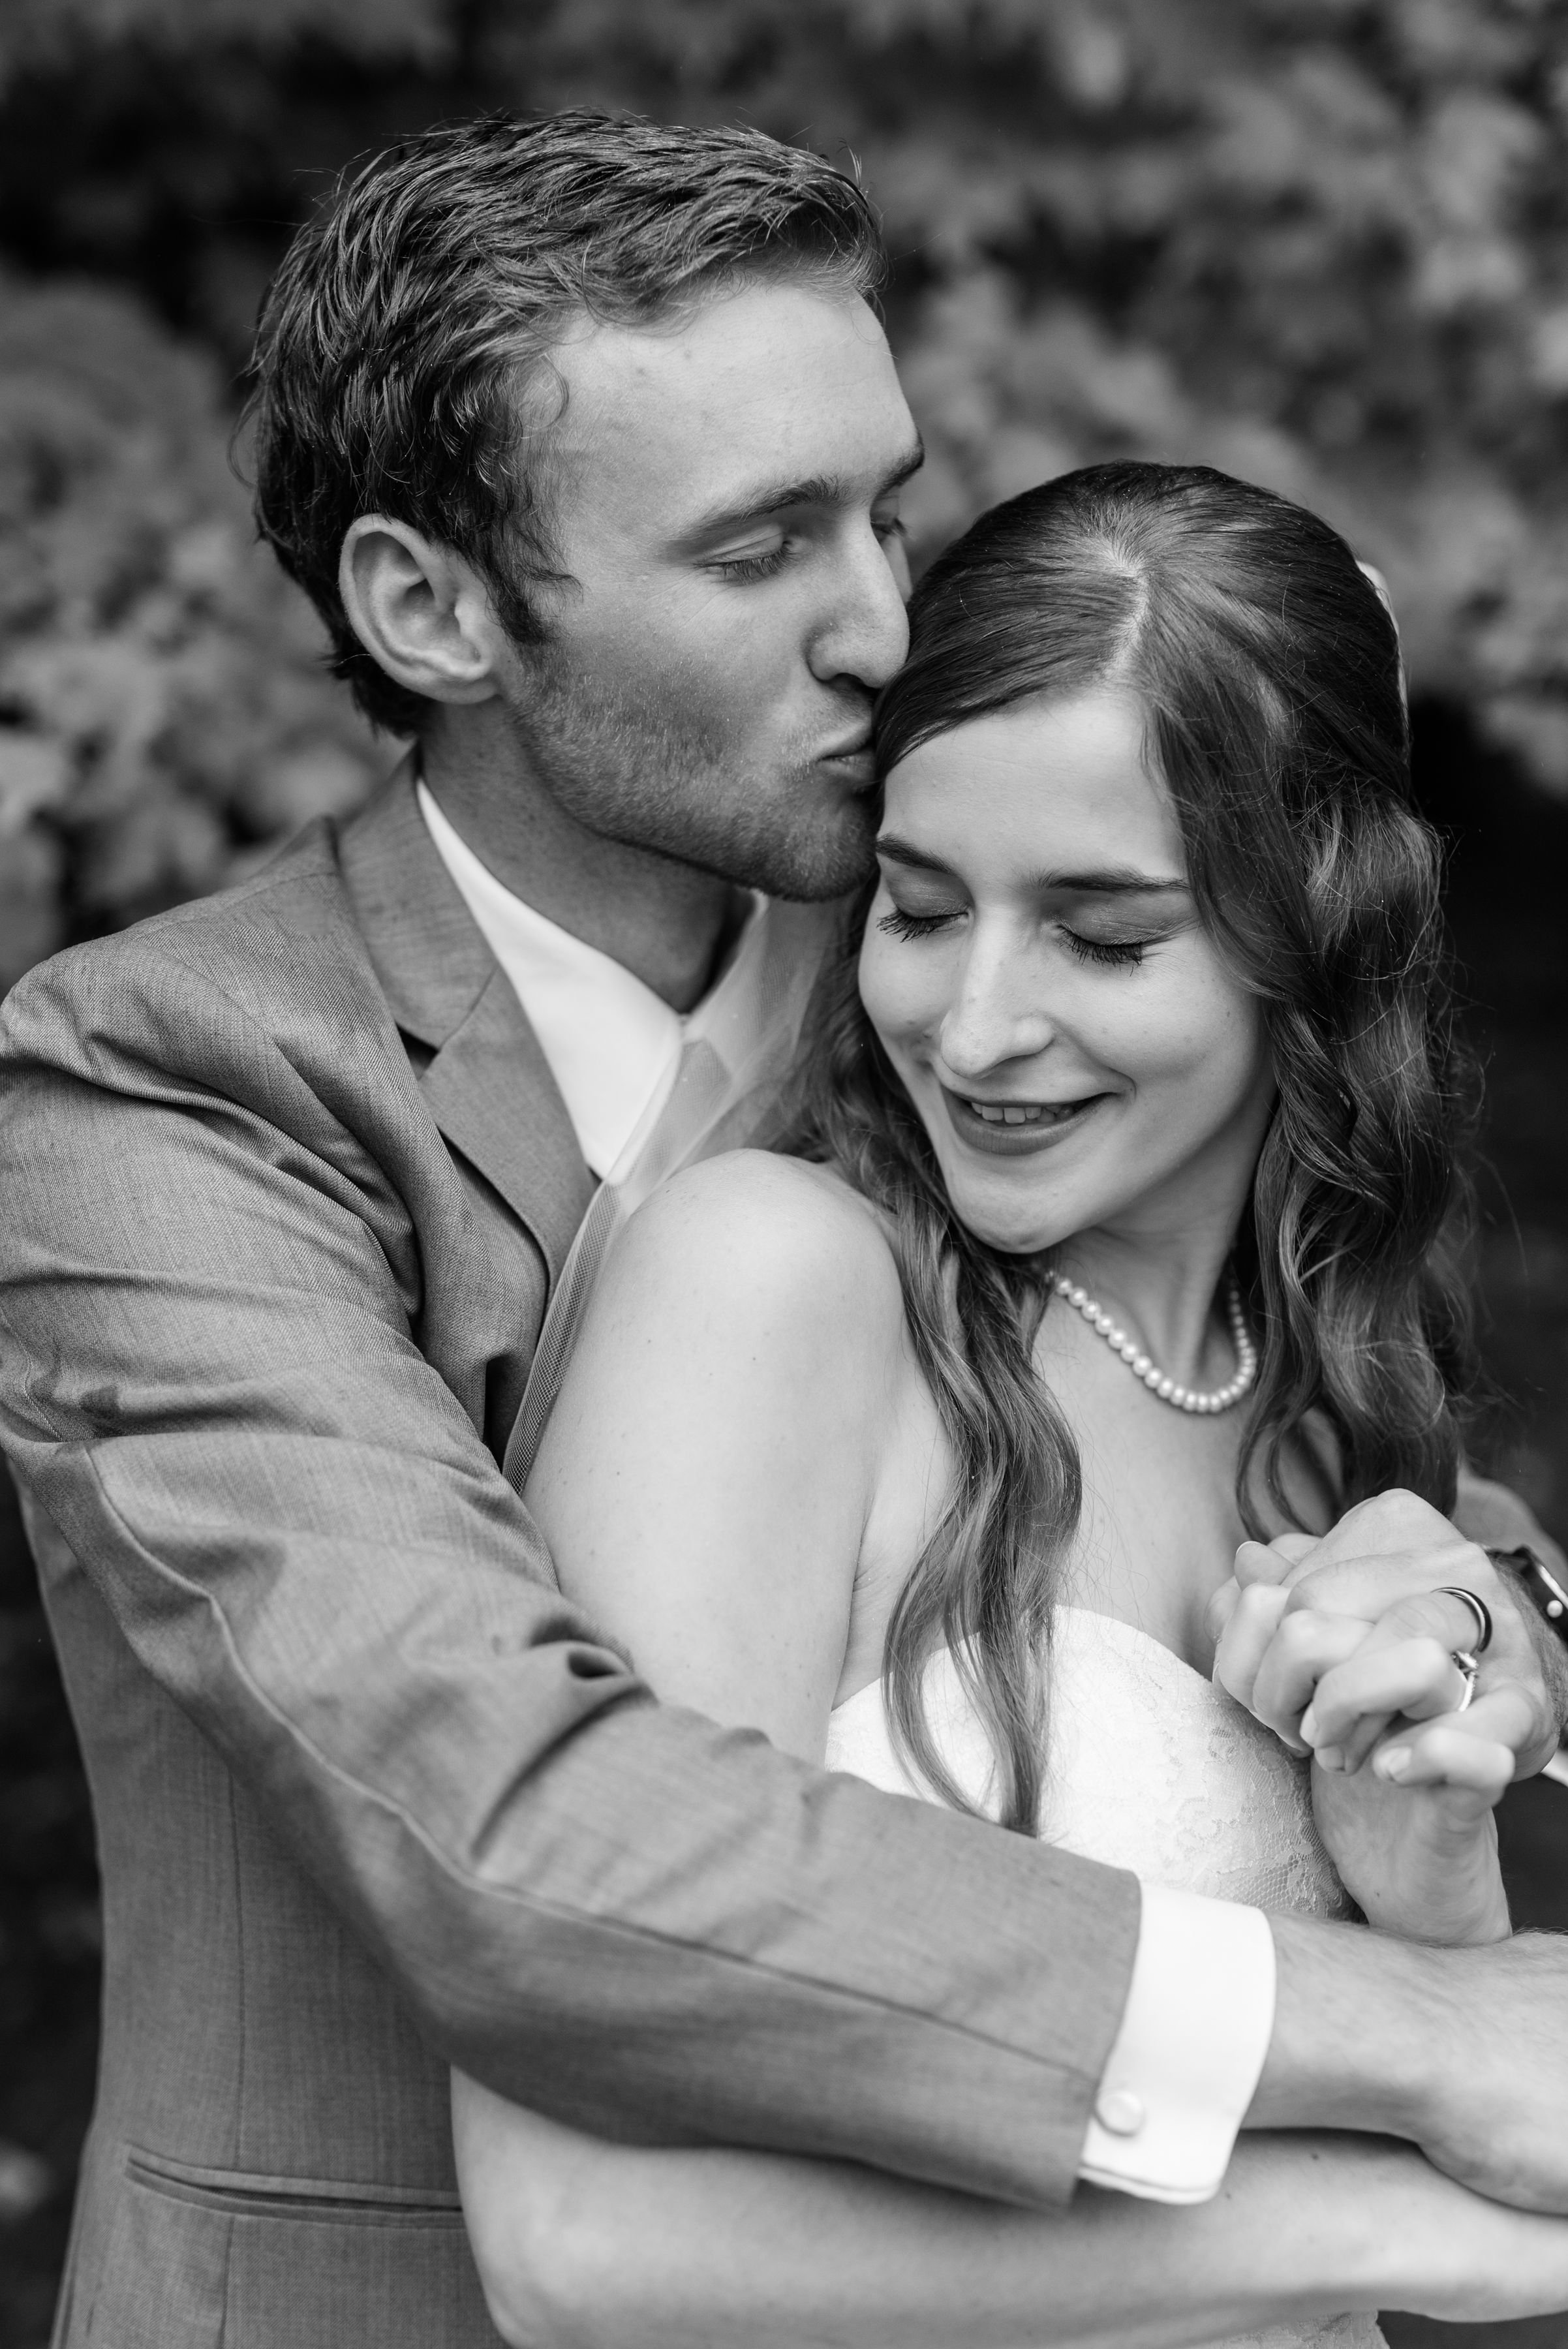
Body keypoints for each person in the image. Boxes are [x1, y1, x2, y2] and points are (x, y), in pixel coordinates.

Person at [0, 114, 1564, 2349]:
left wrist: (1495, 1623)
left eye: (887, 510)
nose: (883, 623)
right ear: (428, 605)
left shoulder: (971, 1011)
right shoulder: (163, 1080)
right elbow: (538, 1829)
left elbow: (1268, 1427)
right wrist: (1431, 2055)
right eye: (758, 548)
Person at [448, 461, 1568, 2346]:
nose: (969, 1028)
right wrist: (1433, 2243)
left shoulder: (1345, 1420)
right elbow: (592, 2238)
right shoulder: (774, 1289)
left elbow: (1485, 2098)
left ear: (1317, 928)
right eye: (917, 905)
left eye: (1097, 933)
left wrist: (1421, 1868)